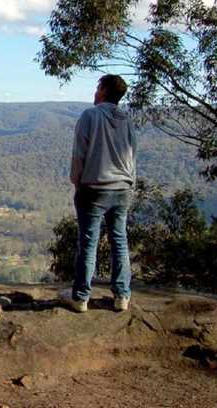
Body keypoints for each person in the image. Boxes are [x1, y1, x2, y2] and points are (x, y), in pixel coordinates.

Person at [59, 74, 137, 313]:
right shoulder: (127, 119)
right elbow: (132, 153)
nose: (95, 92)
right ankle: (122, 296)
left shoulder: (90, 116)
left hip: (94, 187)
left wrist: (77, 181)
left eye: (97, 88)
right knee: (119, 240)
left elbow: (79, 153)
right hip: (123, 187)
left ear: (103, 91)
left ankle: (81, 298)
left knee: (88, 243)